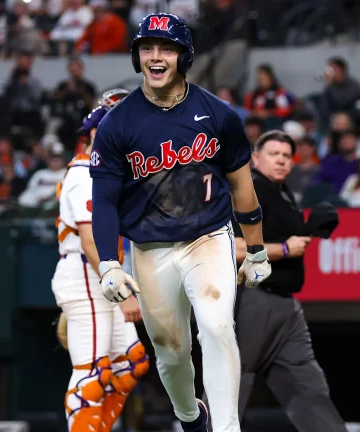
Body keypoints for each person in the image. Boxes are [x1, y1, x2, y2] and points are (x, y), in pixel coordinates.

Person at [89, 13, 271, 432]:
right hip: (150, 250)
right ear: (137, 57)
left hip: (208, 237)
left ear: (183, 56)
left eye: (166, 48)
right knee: (170, 351)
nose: (155, 56)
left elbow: (243, 187)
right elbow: (104, 202)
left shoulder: (219, 114)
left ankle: (227, 428)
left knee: (217, 324)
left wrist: (257, 248)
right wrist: (108, 263)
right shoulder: (118, 122)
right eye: (147, 48)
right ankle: (191, 416)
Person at [230, 130, 347, 432]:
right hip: (254, 297)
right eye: (273, 154)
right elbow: (234, 248)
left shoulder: (282, 194)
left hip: (285, 306)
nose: (280, 160)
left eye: (286, 156)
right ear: (256, 158)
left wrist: (309, 230)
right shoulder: (250, 190)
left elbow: (289, 238)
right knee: (232, 382)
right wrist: (283, 249)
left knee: (309, 387)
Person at [53, 90, 149, 432]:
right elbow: (91, 239)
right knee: (92, 376)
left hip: (100, 277)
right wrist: (122, 292)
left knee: (130, 365)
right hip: (86, 273)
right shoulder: (83, 174)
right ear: (94, 132)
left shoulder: (112, 174)